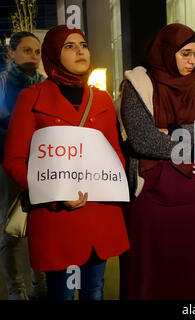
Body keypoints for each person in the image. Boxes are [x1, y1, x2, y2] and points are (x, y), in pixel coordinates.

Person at [3, 25, 130, 300]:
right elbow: (14, 160)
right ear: (53, 54)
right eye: (69, 46)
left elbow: (114, 153)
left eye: (82, 44)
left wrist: (114, 181)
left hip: (99, 214)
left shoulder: (103, 99)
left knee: (94, 291)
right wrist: (55, 195)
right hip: (56, 218)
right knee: (61, 293)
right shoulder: (32, 98)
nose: (80, 50)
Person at [119, 23, 195, 300]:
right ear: (166, 52)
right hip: (152, 196)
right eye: (186, 54)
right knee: (153, 270)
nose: (192, 61)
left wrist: (173, 130)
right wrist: (193, 134)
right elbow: (143, 140)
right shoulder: (138, 84)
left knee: (193, 267)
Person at [0, 31, 46, 300]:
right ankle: (16, 289)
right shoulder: (3, 84)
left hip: (40, 165)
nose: (33, 56)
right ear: (11, 53)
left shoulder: (44, 85)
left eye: (37, 51)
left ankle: (40, 283)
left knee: (40, 226)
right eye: (27, 50)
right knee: (11, 229)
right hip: (7, 166)